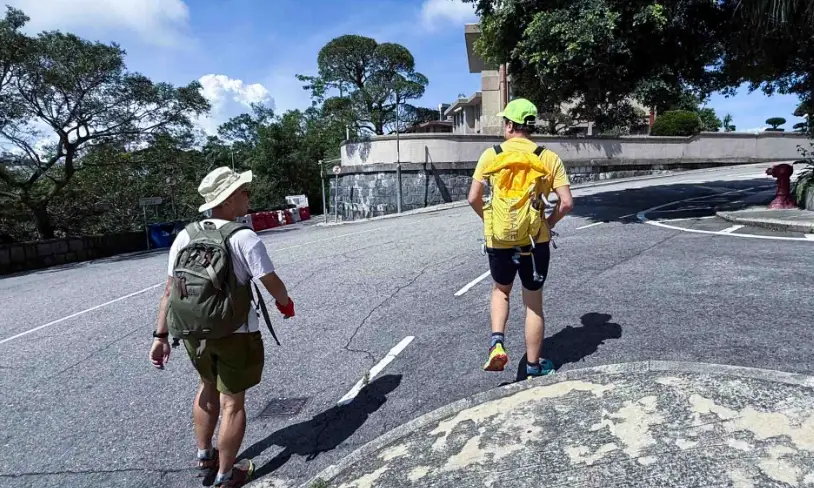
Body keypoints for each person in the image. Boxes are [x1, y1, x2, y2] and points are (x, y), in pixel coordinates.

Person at [149, 167, 295, 487]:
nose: (248, 197)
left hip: (191, 334)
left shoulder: (185, 236)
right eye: (244, 191)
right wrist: (286, 304)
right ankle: (227, 476)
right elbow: (270, 281)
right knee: (233, 402)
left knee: (206, 387)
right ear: (228, 199)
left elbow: (169, 290)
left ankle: (205, 457)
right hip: (234, 332)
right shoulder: (243, 236)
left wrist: (160, 336)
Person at [467, 98, 573, 379]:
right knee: (533, 302)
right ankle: (534, 367)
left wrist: (491, 222)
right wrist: (547, 225)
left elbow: (473, 198)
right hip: (534, 241)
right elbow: (566, 203)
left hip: (499, 240)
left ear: (511, 125)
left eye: (505, 122)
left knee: (501, 290)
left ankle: (497, 343)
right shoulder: (548, 158)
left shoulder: (491, 155)